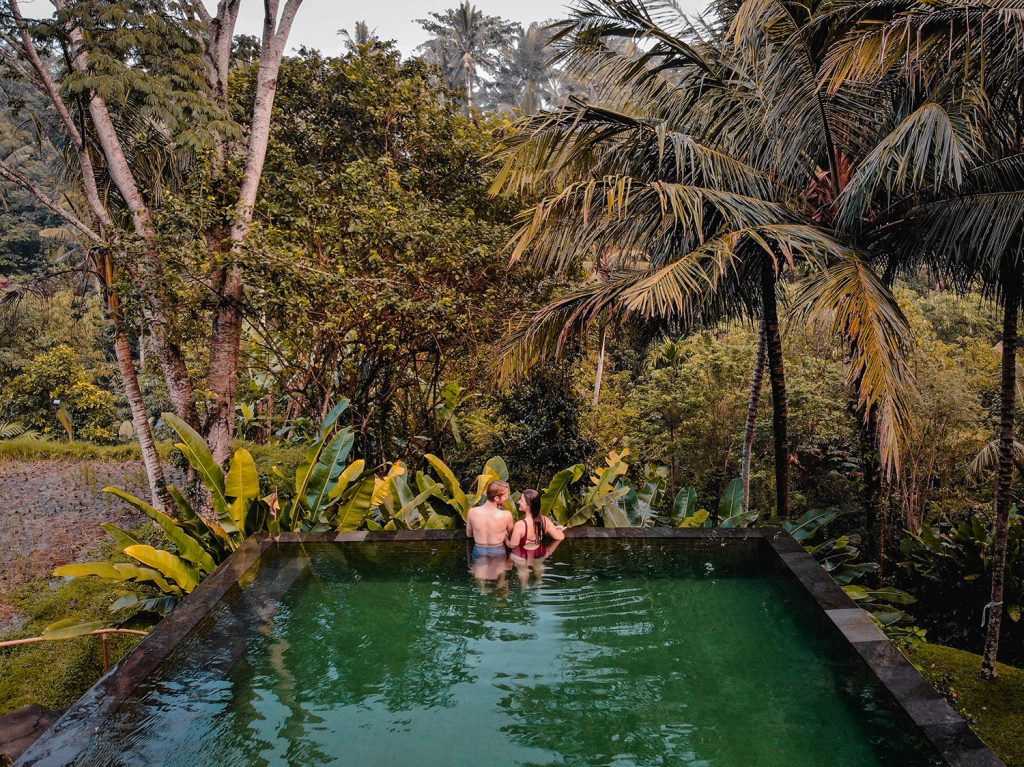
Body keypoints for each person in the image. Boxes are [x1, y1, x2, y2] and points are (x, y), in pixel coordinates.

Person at [507, 488, 565, 561]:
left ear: (529, 506)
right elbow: (560, 538)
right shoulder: (545, 520)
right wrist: (559, 530)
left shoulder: (520, 525)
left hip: (523, 560)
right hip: (539, 557)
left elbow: (512, 545)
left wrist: (505, 538)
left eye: (521, 500)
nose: (518, 502)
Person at [466, 479, 514, 559]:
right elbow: (512, 535)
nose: (507, 497)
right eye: (506, 495)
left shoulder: (472, 512)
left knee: (480, 571)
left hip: (479, 550)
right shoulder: (506, 515)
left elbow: (469, 535)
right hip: (498, 550)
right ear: (496, 498)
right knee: (499, 571)